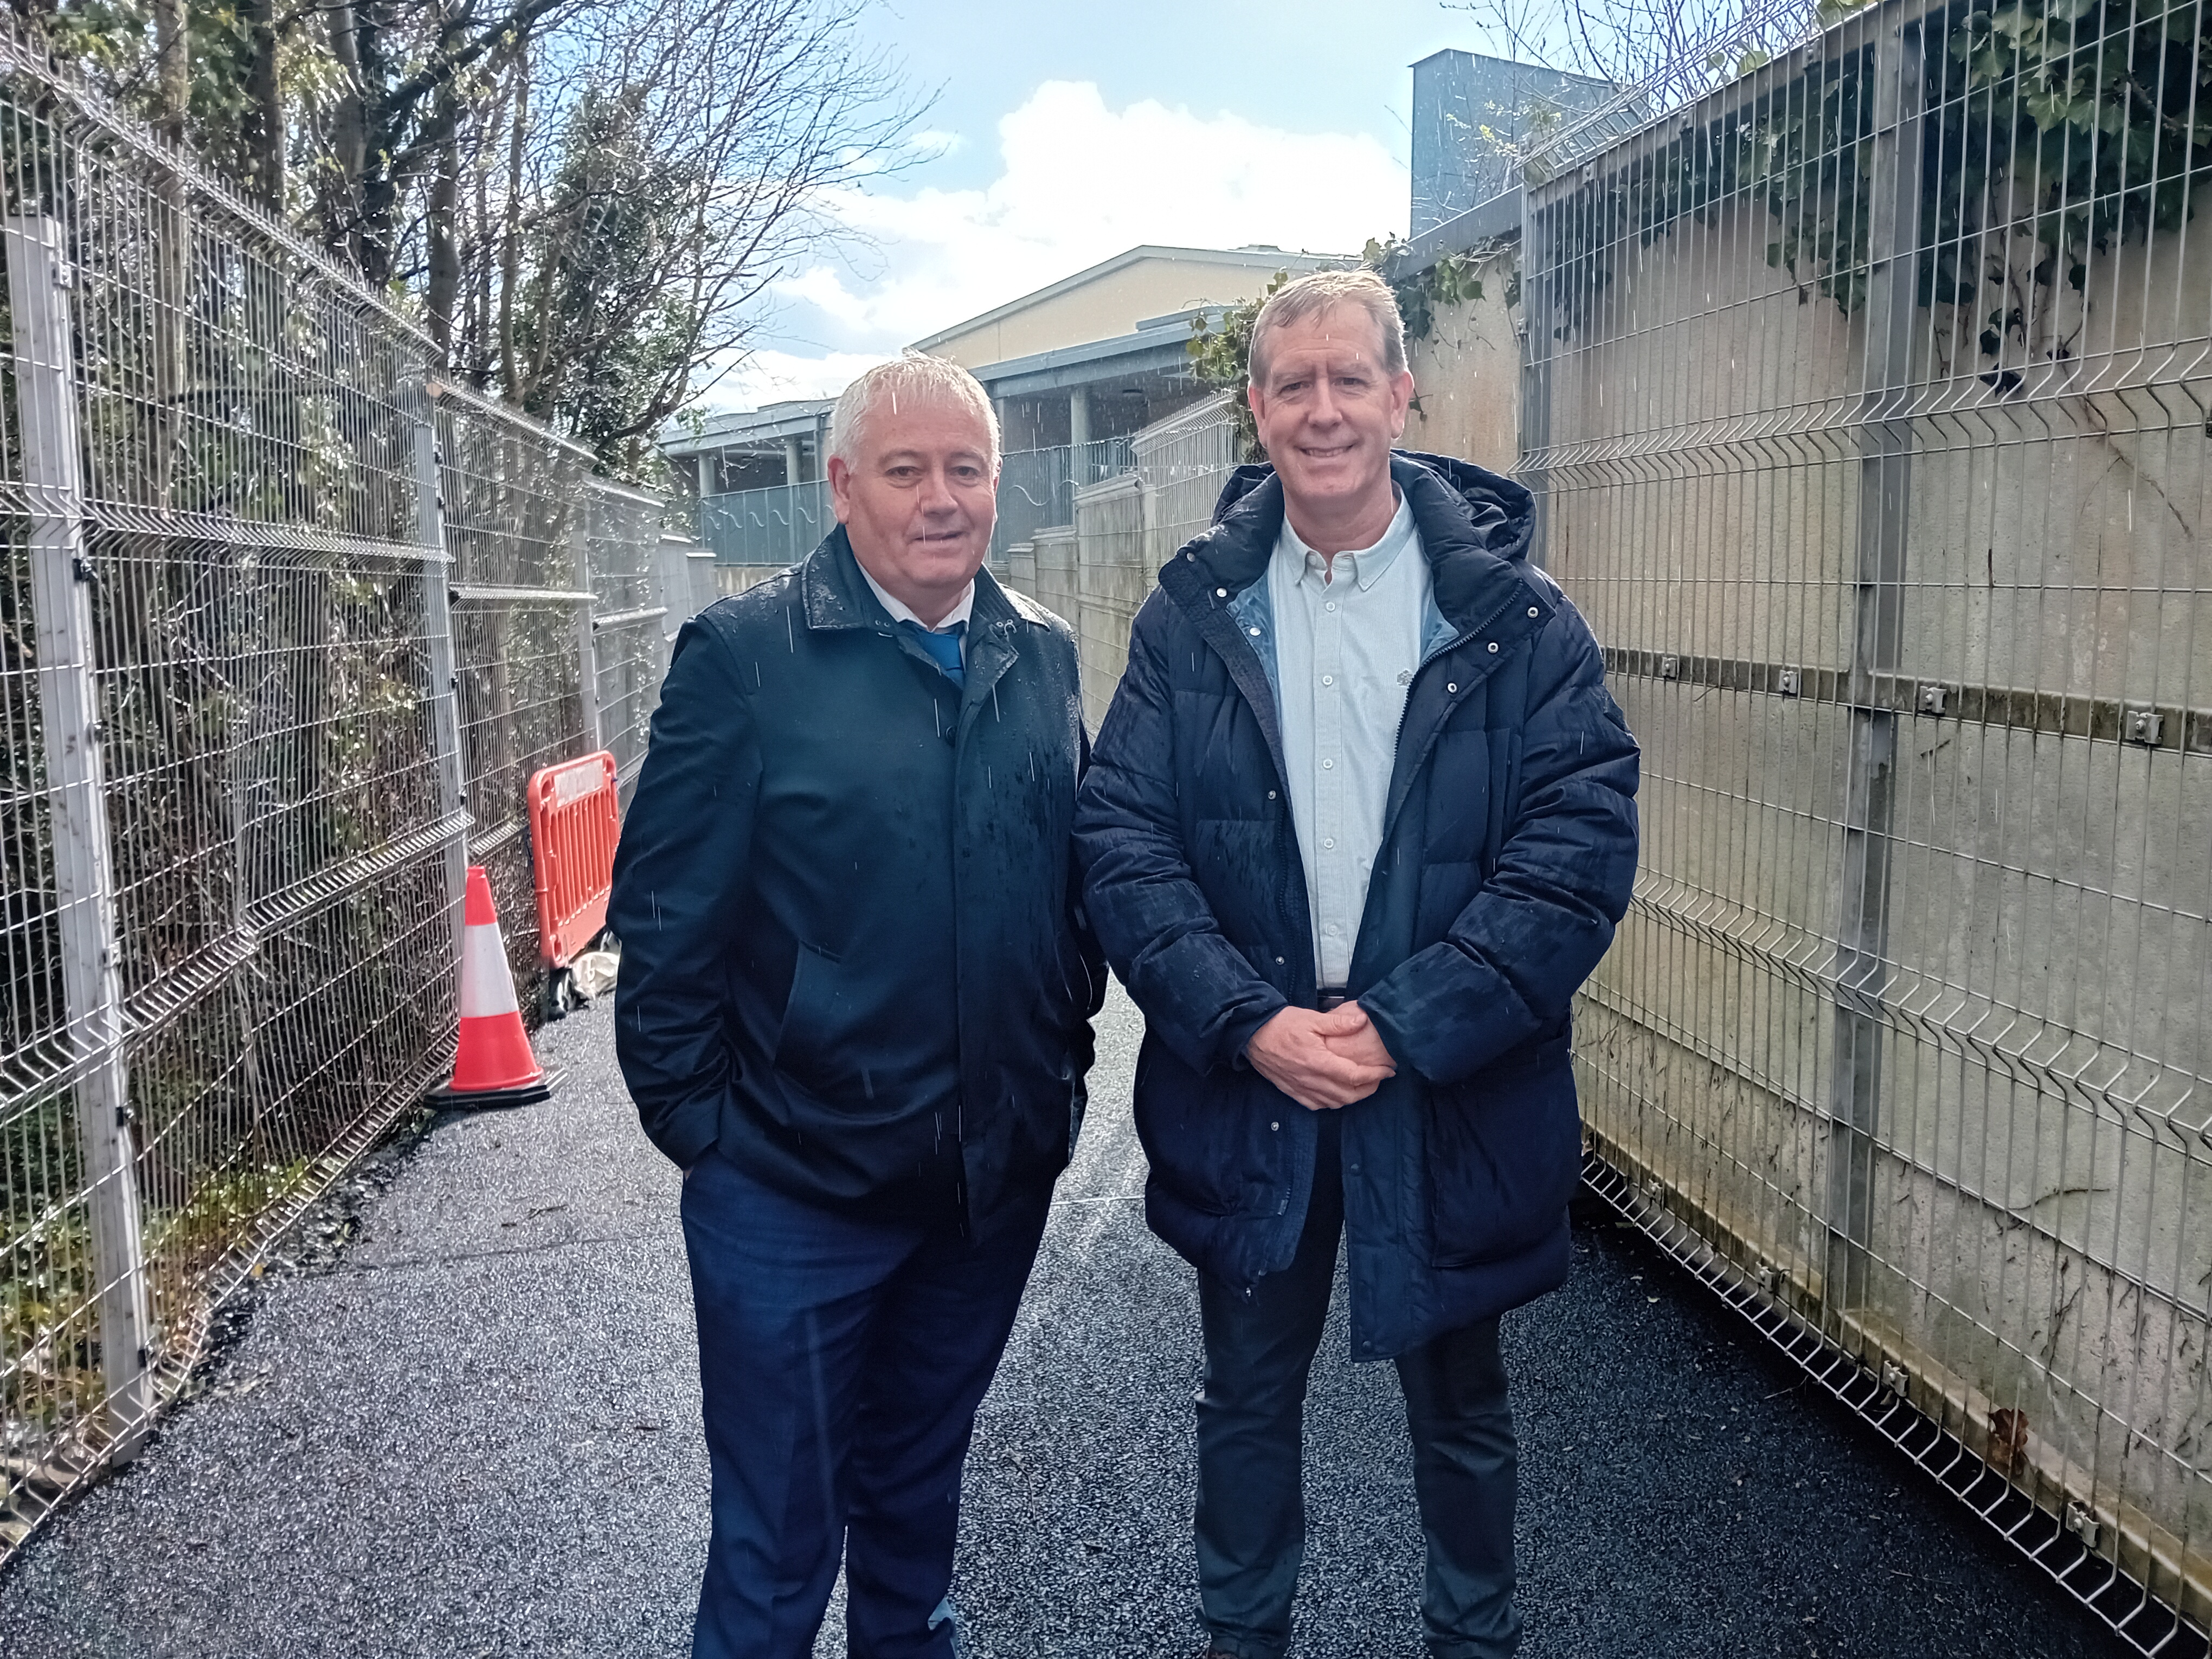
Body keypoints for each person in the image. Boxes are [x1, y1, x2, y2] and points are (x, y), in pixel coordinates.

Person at [1073, 268, 1639, 1659]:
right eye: (1293, 384)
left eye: (1348, 379)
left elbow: (1575, 851)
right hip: (1252, 1075)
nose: (1322, 410)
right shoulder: (1191, 614)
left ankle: (1473, 1643)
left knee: (1464, 1410)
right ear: (1257, 408)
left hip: (1445, 1085)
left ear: (1401, 393)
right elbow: (1123, 839)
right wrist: (1247, 1020)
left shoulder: (1518, 617)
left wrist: (1402, 1024)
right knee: (1244, 1401)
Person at [609, 352, 1102, 1659]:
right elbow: (663, 918)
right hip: (791, 1195)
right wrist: (711, 1137)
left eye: (966, 469)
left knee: (916, 1507)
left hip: (986, 1192)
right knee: (776, 1550)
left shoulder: (1043, 653)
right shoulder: (745, 656)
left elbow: (1074, 883)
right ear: (841, 486)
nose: (940, 498)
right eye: (905, 470)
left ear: (998, 481)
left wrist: (1056, 1071)